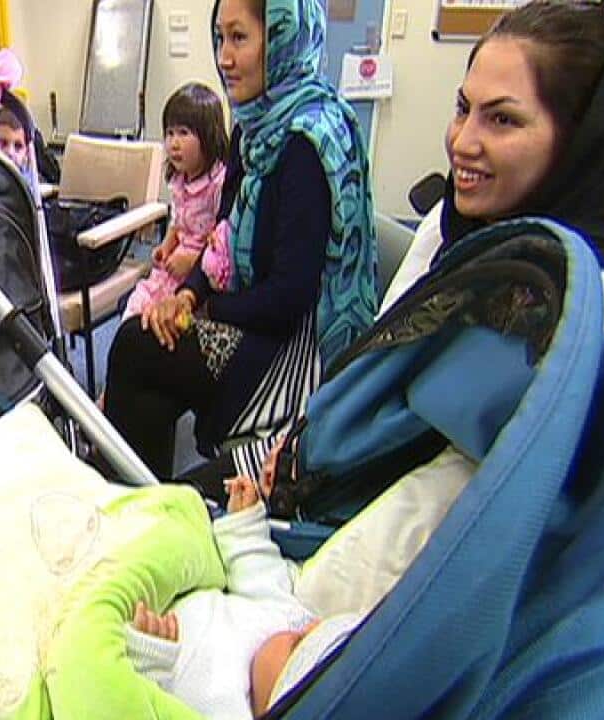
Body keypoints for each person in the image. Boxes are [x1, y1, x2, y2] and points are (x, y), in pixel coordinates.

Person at [102, 0, 378, 478]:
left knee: (134, 346)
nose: (224, 58)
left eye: (239, 38)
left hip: (291, 351)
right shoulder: (254, 128)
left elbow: (289, 299)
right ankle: (142, 498)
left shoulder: (307, 142)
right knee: (147, 353)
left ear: (282, 39)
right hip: (250, 313)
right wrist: (187, 296)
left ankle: (137, 498)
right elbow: (222, 236)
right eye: (220, 38)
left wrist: (206, 309)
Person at [379, 0, 604, 360]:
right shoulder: (451, 226)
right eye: (464, 109)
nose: (462, 143)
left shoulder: (598, 309)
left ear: (581, 144)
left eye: (502, 119)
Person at [126, 475, 361, 718]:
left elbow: (155, 710)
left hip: (136, 635)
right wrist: (245, 523)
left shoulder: (225, 710)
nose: (308, 625)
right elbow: (257, 569)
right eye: (317, 626)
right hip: (174, 572)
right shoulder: (285, 619)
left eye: (297, 643)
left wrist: (150, 661)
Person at [123, 82, 230, 319]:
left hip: (201, 276)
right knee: (137, 306)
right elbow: (177, 222)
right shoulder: (179, 180)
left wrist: (192, 262)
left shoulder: (218, 184)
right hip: (173, 266)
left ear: (208, 136)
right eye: (170, 133)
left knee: (165, 321)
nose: (174, 143)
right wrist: (165, 247)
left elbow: (223, 245)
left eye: (183, 133)